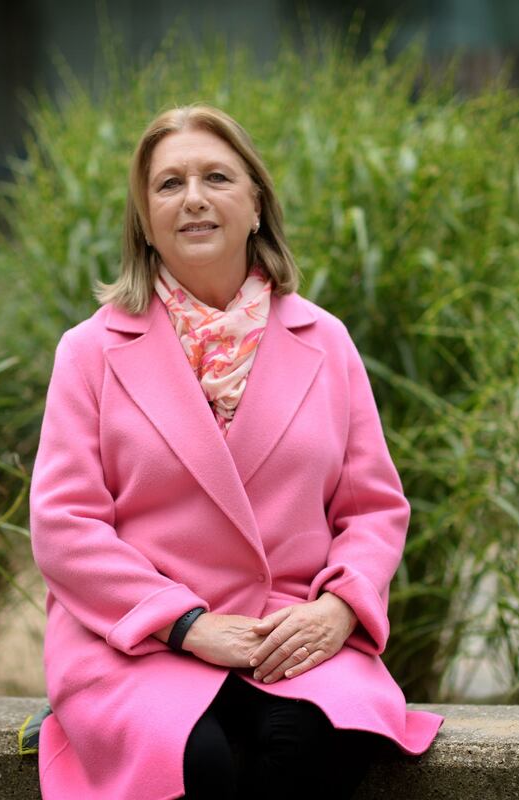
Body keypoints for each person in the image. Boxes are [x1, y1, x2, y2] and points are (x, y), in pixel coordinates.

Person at [29, 104, 443, 800]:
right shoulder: (91, 352)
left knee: (315, 743)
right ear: (145, 220)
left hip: (288, 629)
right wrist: (187, 625)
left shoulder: (326, 341)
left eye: (216, 177)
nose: (193, 198)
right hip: (136, 639)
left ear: (255, 205)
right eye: (168, 184)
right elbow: (64, 526)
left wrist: (339, 609)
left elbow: (373, 510)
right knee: (196, 763)